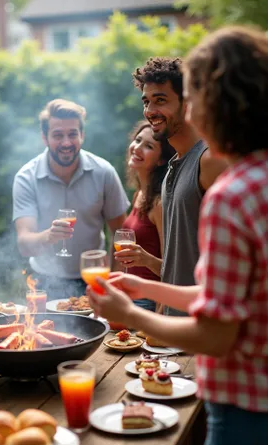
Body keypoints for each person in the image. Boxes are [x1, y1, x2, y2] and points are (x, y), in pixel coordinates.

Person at [88, 26, 268, 445]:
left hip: (243, 400)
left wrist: (131, 315)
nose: (151, 110)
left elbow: (217, 332)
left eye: (194, 93)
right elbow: (223, 291)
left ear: (206, 101)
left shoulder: (226, 182)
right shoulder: (235, 175)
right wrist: (146, 285)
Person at [133, 57, 227, 315]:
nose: (150, 110)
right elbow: (177, 264)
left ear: (188, 103)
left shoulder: (210, 160)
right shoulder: (171, 169)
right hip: (175, 330)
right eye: (146, 101)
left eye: (160, 100)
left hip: (206, 332)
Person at [13, 99, 129, 300]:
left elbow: (120, 233)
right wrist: (50, 235)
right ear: (44, 138)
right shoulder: (26, 177)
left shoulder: (104, 172)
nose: (66, 143)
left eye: (73, 134)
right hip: (44, 281)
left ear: (82, 135)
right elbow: (24, 244)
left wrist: (113, 282)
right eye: (58, 135)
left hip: (95, 279)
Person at [113, 121, 175, 311]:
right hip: (129, 298)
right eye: (137, 140)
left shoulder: (159, 203)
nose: (137, 148)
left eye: (148, 146)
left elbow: (171, 270)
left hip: (146, 302)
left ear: (161, 160)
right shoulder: (139, 195)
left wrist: (145, 259)